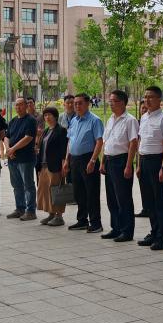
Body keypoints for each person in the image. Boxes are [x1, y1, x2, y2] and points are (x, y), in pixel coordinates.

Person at [136, 86, 163, 250]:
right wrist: (138, 164)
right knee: (149, 201)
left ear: (159, 99)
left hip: (157, 161)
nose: (147, 100)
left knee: (160, 201)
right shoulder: (144, 117)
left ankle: (162, 237)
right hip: (144, 160)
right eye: (145, 97)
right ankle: (154, 231)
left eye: (150, 97)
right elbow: (141, 142)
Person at [100, 90, 139, 241]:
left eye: (114, 101)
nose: (111, 104)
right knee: (111, 197)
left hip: (121, 161)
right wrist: (102, 161)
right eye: (110, 101)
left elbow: (133, 143)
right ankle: (115, 228)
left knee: (123, 198)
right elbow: (106, 141)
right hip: (109, 160)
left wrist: (129, 165)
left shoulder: (130, 120)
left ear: (122, 102)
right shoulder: (110, 119)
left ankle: (127, 231)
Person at [64, 93, 104, 232]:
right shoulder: (74, 120)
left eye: (80, 103)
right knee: (78, 192)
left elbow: (99, 141)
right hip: (74, 160)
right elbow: (70, 141)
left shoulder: (95, 120)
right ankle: (82, 220)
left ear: (88, 104)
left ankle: (96, 223)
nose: (77, 106)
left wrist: (93, 160)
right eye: (75, 103)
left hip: (88, 159)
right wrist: (67, 160)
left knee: (91, 192)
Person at [4, 97, 38, 220]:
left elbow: (28, 138)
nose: (18, 107)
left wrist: (13, 149)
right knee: (16, 185)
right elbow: (6, 137)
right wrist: (8, 149)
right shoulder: (13, 121)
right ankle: (20, 208)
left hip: (26, 159)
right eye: (16, 105)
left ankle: (31, 211)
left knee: (28, 185)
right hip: (12, 159)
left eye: (21, 104)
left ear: (26, 106)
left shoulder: (31, 120)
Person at [36, 107, 69, 227]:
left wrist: (64, 164)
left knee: (56, 190)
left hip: (55, 166)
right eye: (45, 115)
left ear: (55, 116)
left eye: (49, 115)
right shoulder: (46, 131)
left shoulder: (61, 130)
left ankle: (59, 216)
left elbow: (64, 149)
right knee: (46, 191)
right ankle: (51, 213)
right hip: (44, 166)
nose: (47, 117)